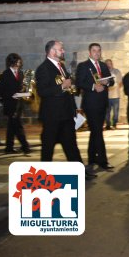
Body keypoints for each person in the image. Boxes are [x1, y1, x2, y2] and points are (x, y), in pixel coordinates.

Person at [34, 41, 97, 178]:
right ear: (52, 51)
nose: (63, 51)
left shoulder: (61, 66)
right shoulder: (44, 68)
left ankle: (80, 173)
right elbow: (42, 91)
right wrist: (62, 86)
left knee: (72, 146)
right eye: (60, 49)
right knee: (48, 149)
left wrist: (74, 109)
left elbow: (68, 88)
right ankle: (43, 177)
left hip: (66, 114)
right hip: (52, 116)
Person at [75, 43, 114, 170]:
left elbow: (112, 80)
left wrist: (107, 81)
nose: (97, 53)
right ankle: (103, 160)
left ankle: (92, 158)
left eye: (98, 51)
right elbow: (79, 82)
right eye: (94, 51)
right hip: (90, 104)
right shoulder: (83, 66)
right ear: (90, 52)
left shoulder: (103, 65)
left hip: (102, 103)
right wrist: (93, 86)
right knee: (98, 131)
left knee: (95, 132)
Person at [0, 53, 31, 154]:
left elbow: (20, 87)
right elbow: (2, 91)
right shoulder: (5, 74)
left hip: (19, 104)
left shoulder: (21, 73)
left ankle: (9, 147)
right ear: (11, 62)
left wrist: (24, 92)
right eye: (17, 61)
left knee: (12, 127)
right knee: (17, 126)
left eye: (19, 61)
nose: (19, 63)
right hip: (10, 104)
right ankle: (25, 146)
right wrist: (12, 95)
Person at [104, 59, 122, 130]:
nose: (108, 65)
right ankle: (108, 125)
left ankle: (114, 124)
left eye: (110, 63)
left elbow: (120, 83)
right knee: (107, 112)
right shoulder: (103, 72)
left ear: (112, 64)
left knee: (115, 112)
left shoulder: (117, 72)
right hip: (106, 96)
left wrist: (115, 89)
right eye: (107, 64)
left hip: (115, 95)